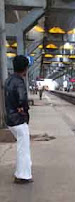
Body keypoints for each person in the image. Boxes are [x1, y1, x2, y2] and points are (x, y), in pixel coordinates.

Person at [5, 55, 33, 184]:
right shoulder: (19, 81)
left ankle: (21, 172)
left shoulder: (8, 80)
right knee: (23, 149)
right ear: (25, 68)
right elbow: (22, 100)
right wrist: (23, 110)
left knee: (21, 147)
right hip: (18, 120)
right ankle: (23, 176)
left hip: (10, 119)